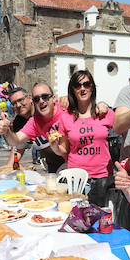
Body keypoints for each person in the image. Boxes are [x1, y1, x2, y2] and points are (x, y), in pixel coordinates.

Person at [54, 70, 116, 206]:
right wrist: (54, 146)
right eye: (78, 85)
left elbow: (124, 129)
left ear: (92, 87)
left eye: (86, 84)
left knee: (102, 221)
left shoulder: (105, 113)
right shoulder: (66, 117)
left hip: (103, 178)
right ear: (73, 90)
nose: (82, 88)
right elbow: (64, 150)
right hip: (77, 179)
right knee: (79, 220)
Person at [0, 82, 66, 173]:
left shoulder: (45, 108)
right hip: (53, 164)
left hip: (74, 161)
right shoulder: (22, 123)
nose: (18, 105)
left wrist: (68, 99)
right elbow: (17, 147)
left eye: (21, 100)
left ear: (29, 99)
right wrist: (8, 169)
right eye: (14, 103)